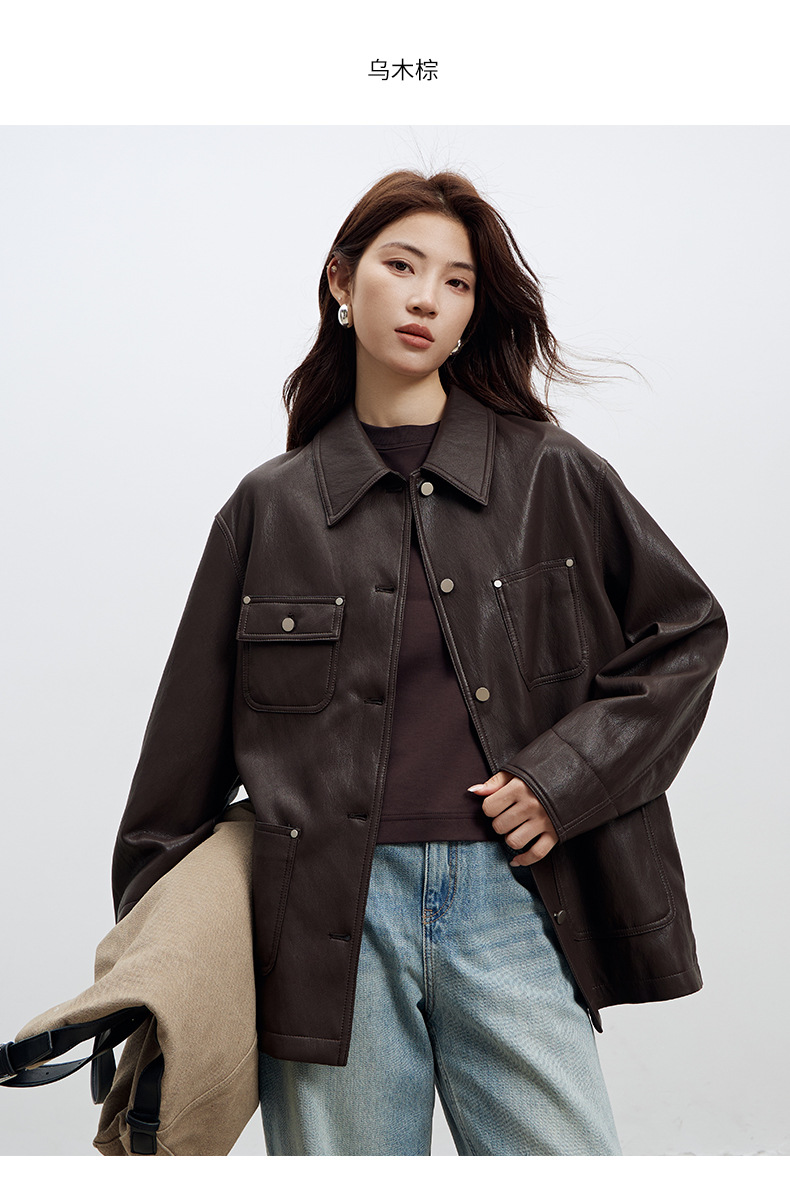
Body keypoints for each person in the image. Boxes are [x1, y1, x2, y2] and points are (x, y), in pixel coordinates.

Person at [111, 169, 728, 1156]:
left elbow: (686, 633)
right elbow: (175, 780)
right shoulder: (268, 510)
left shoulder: (553, 475)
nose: (427, 298)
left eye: (457, 281)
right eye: (401, 267)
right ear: (341, 282)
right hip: (321, 933)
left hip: (513, 903)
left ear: (473, 313)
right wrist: (154, 969)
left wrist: (561, 779)